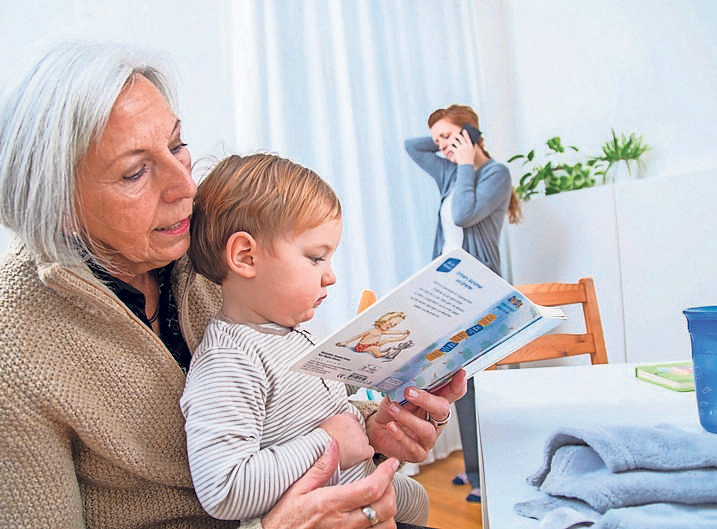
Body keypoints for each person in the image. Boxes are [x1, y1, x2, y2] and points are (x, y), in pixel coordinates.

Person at [0, 41, 467, 529]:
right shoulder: (15, 347)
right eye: (136, 171)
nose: (185, 186)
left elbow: (286, 410)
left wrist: (376, 429)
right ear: (60, 208)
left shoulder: (206, 248)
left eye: (177, 144)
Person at [181, 153, 429, 524]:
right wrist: (327, 443)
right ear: (246, 256)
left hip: (358, 500)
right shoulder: (229, 360)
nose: (331, 276)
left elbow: (328, 411)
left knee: (416, 497)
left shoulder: (292, 335)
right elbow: (224, 489)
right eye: (316, 258)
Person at [404, 103, 521, 503]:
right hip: (449, 293)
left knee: (483, 383)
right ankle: (476, 472)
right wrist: (447, 143)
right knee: (461, 383)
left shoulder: (495, 174)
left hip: (482, 291)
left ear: (469, 135)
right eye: (439, 139)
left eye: (449, 137)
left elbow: (466, 213)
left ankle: (490, 473)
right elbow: (412, 147)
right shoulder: (449, 170)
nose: (440, 146)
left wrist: (467, 155)